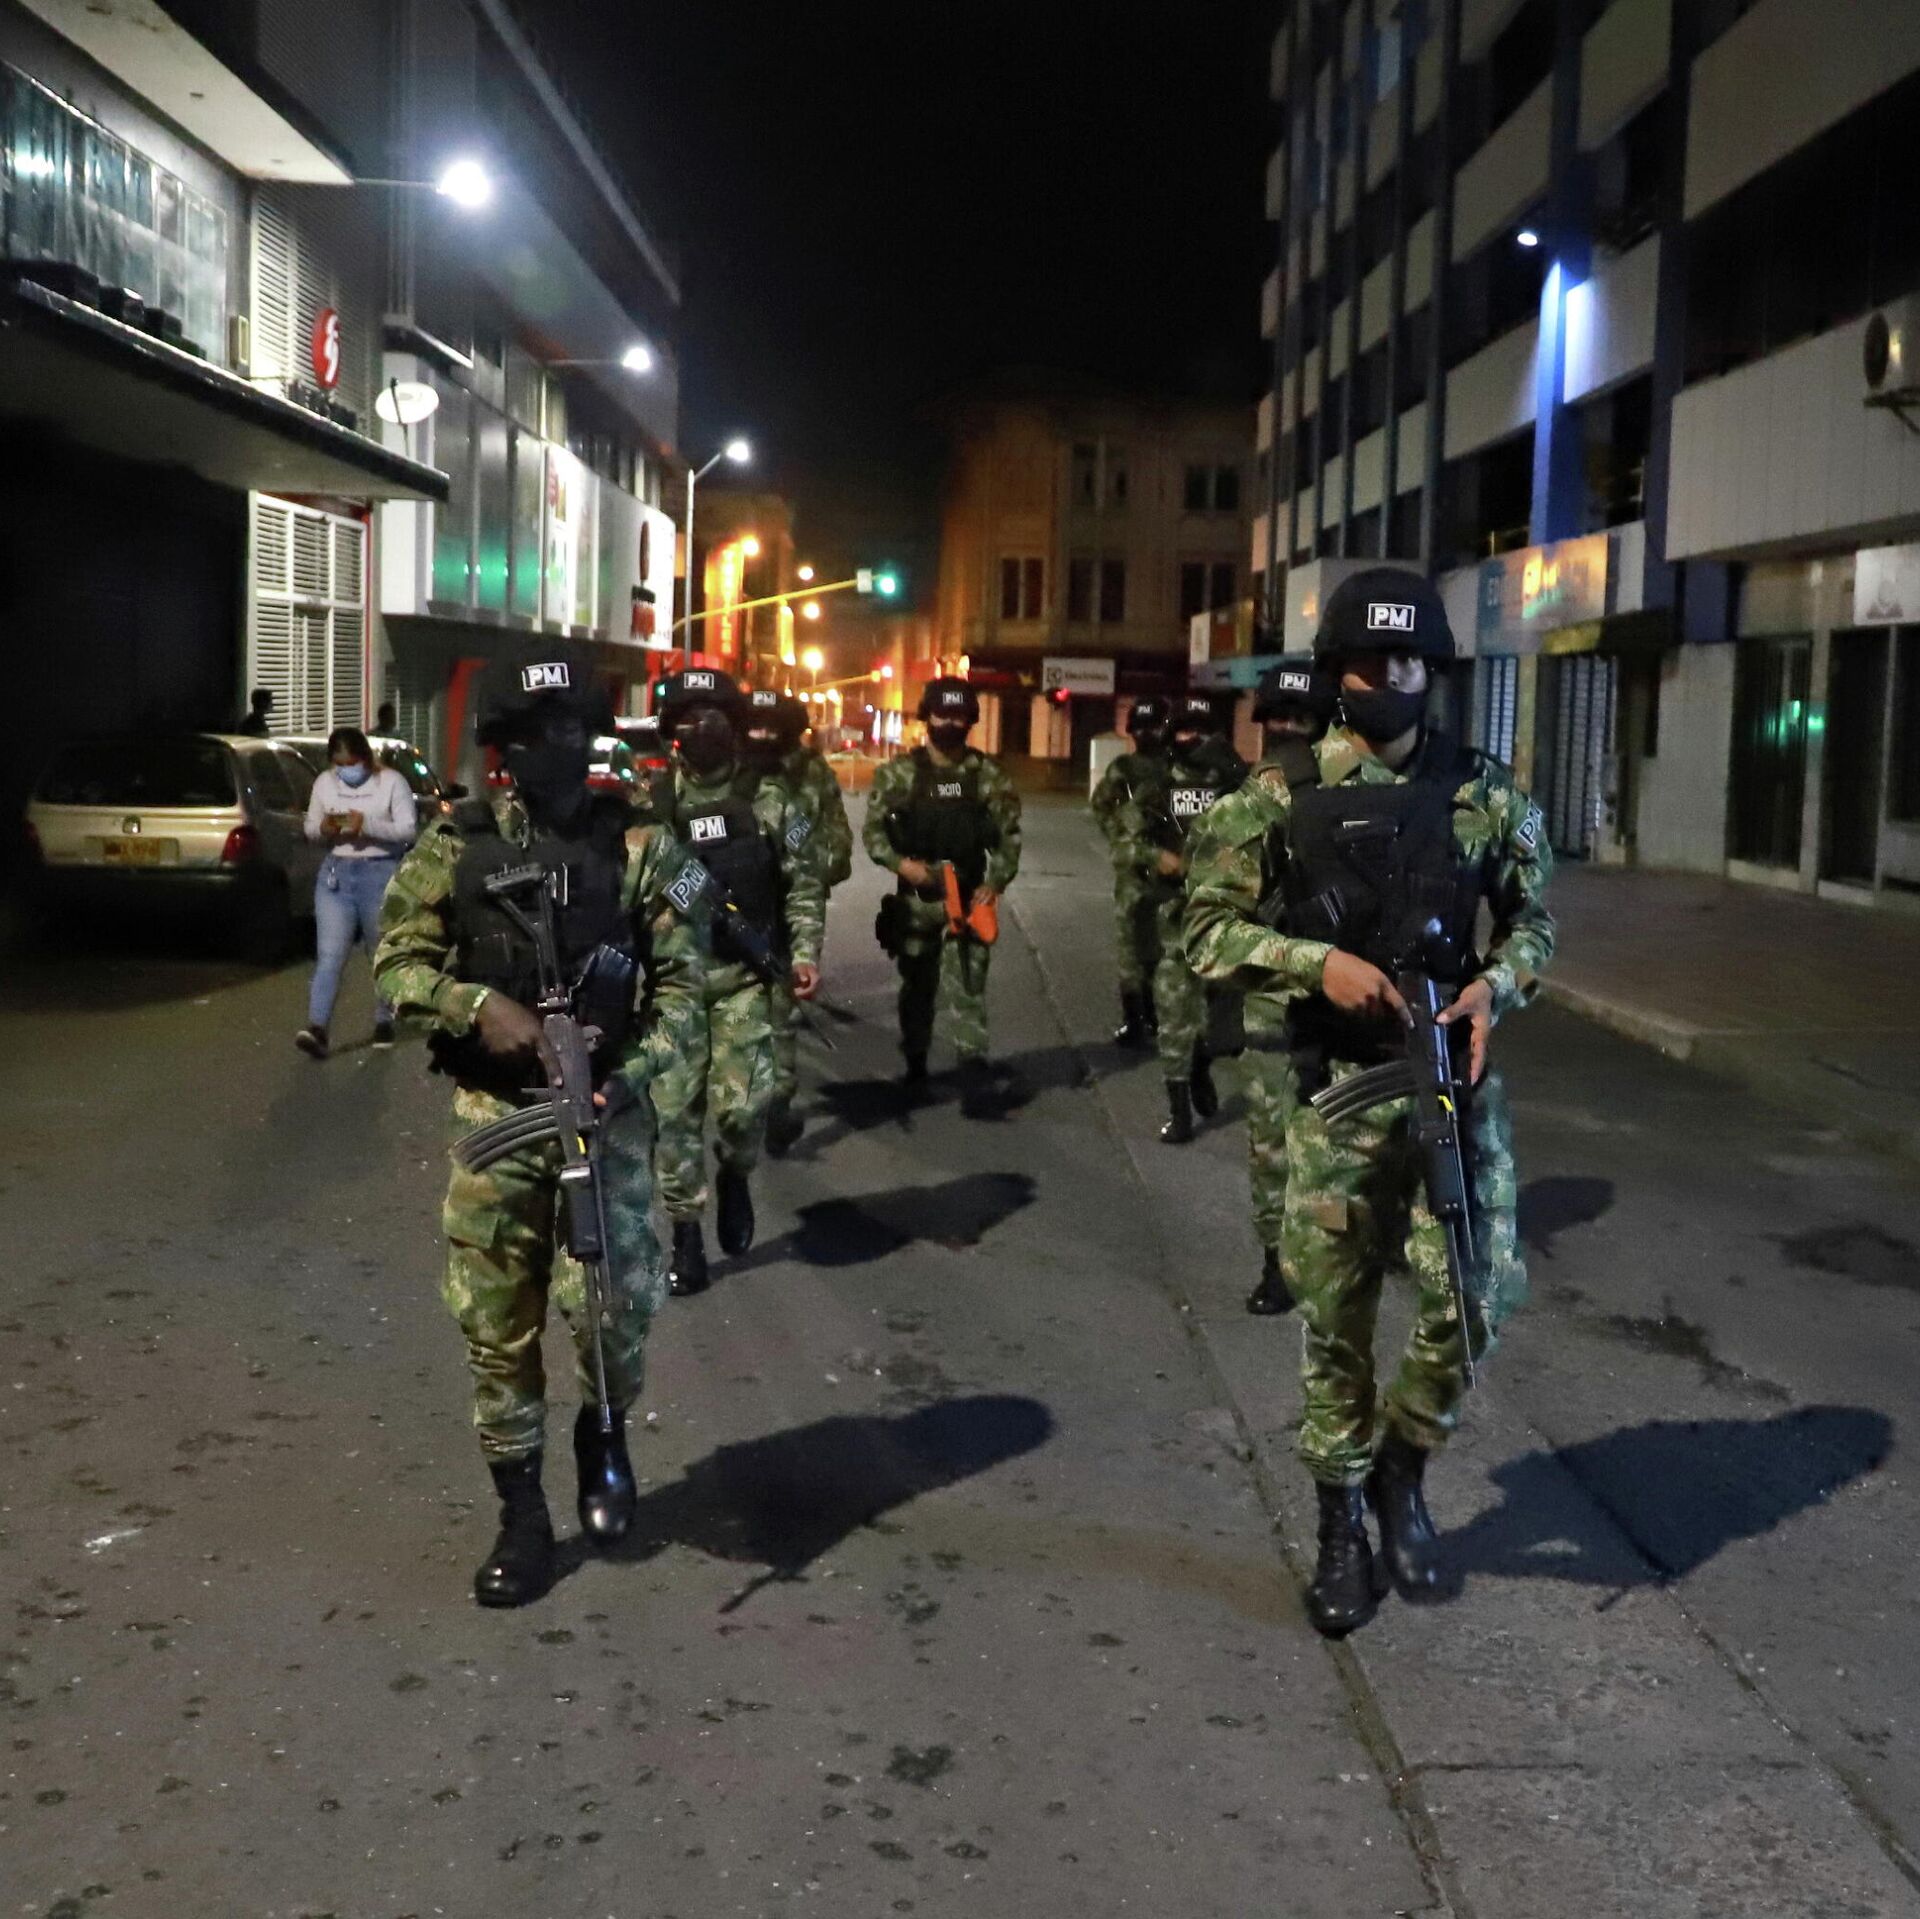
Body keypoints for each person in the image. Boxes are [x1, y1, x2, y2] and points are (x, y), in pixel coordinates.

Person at [1184, 568, 1554, 1638]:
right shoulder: (1276, 793)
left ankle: (1405, 1463)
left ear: (1430, 669)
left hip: (1450, 1081)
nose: (1388, 677)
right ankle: (1341, 1521)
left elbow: (1534, 917)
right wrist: (1315, 964)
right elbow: (1204, 929)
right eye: (1367, 660)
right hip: (1337, 1094)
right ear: (1337, 670)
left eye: (1406, 660)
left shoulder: (1483, 791)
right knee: (1337, 1318)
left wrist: (1496, 986)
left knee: (1478, 1298)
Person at [373, 639, 702, 1607]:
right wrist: (476, 1005)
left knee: (615, 1312)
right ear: (504, 745)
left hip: (607, 1117)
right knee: (496, 1323)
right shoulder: (456, 845)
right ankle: (521, 1512)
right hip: (497, 1116)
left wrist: (625, 1076)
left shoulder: (643, 848)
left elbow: (686, 996)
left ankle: (604, 1430)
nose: (557, 748)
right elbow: (395, 963)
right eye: (535, 733)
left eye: (571, 729)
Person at [646, 669, 826, 1296]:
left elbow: (803, 881)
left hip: (745, 980)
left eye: (715, 715)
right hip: (670, 986)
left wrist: (804, 953)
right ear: (672, 729)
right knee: (674, 1116)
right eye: (690, 717)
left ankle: (736, 1174)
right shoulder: (652, 805)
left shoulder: (770, 799)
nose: (704, 728)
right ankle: (686, 1237)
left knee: (743, 1111)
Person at [1226, 664, 1339, 1318]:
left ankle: (1328, 1255)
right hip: (1272, 1000)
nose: (1290, 730)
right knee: (1272, 1145)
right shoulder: (1248, 801)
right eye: (1280, 719)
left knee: (1333, 1145)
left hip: (1341, 999)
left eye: (1302, 719)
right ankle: (1277, 1261)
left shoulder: (1353, 793)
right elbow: (1214, 915)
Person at [863, 677, 1022, 1116]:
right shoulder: (900, 773)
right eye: (942, 715)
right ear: (926, 718)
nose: (949, 723)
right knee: (917, 988)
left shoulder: (987, 776)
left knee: (968, 987)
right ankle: (915, 1065)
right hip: (917, 900)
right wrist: (903, 866)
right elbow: (874, 833)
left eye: (958, 716)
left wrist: (995, 883)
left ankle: (973, 1076)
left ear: (970, 721)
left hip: (968, 898)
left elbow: (1008, 837)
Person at [1117, 693, 1246, 1144]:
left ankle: (1200, 1066)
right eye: (1185, 730)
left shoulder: (1236, 782)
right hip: (1174, 918)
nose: (1193, 739)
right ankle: (1179, 1113)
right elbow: (1125, 839)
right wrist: (1160, 857)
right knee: (1173, 1014)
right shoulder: (1158, 784)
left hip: (1226, 918)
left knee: (1219, 1020)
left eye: (1201, 731)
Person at [741, 689, 854, 1156]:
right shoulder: (729, 772)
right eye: (754, 726)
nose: (762, 735)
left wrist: (802, 862)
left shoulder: (812, 775)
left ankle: (778, 1103)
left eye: (772, 728)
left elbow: (839, 846)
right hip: (733, 913)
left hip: (792, 912)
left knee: (780, 1016)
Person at [296, 726, 418, 1059]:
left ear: (365, 758)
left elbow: (408, 830)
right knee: (330, 955)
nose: (346, 770)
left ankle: (384, 1019)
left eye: (351, 763)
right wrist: (323, 828)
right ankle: (317, 1027)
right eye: (339, 764)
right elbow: (311, 828)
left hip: (380, 872)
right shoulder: (325, 783)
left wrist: (365, 825)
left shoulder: (391, 782)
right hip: (337, 874)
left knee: (380, 951)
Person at [1088, 695, 1172, 1049]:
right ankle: (1135, 1018)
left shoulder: (1176, 768)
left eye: (1154, 727)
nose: (1147, 734)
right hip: (1134, 875)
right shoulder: (1123, 768)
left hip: (1171, 873)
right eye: (1141, 728)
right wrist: (1121, 837)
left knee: (1164, 948)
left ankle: (1159, 1015)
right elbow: (1100, 806)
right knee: (1130, 949)